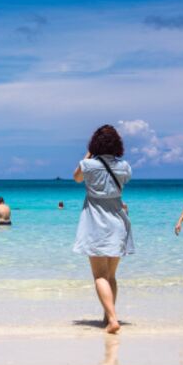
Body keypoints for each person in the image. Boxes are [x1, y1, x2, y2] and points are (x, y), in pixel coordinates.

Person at [72, 124, 133, 334]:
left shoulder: (88, 164)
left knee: (99, 275)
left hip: (95, 223)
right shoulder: (124, 166)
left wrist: (89, 154)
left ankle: (113, 319)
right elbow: (120, 185)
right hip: (118, 221)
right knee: (111, 276)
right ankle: (108, 317)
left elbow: (76, 177)